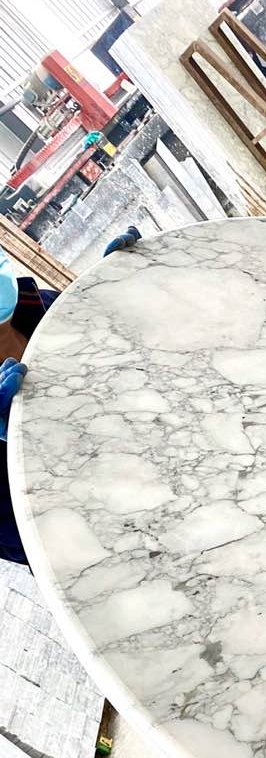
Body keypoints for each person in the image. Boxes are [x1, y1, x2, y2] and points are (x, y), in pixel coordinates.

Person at [0, 227, 141, 565]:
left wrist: (127, 295)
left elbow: (136, 365)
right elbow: (52, 555)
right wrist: (29, 443)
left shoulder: (44, 306)